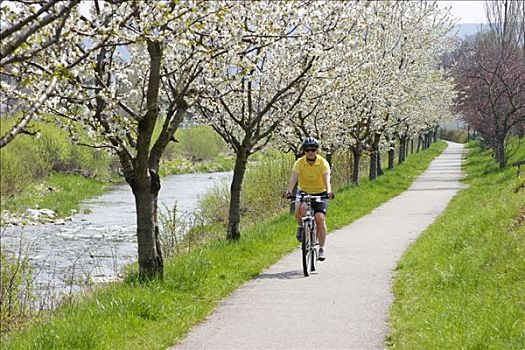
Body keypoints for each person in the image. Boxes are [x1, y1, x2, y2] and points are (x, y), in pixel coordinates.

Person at [283, 137, 333, 261]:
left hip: (320, 192)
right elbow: (293, 179)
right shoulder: (299, 163)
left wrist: (329, 192)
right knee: (301, 210)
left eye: (313, 149)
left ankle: (321, 248)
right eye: (307, 150)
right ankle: (302, 227)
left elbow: (327, 179)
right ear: (304, 151)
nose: (310, 152)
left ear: (317, 150)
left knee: (320, 218)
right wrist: (288, 191)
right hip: (304, 191)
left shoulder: (323, 163)